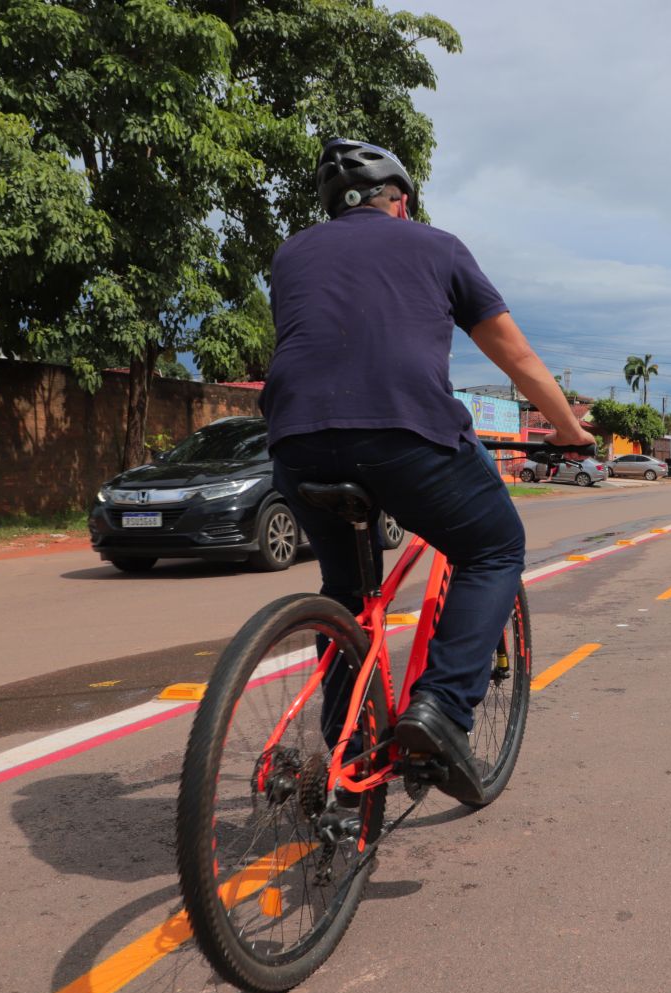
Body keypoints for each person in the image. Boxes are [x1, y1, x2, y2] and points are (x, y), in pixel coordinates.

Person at [260, 139, 594, 804]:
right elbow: (518, 357)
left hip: (293, 444)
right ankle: (440, 707)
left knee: (348, 596)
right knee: (495, 546)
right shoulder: (437, 246)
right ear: (402, 203)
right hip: (403, 436)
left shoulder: (292, 254)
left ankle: (348, 760)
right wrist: (567, 429)